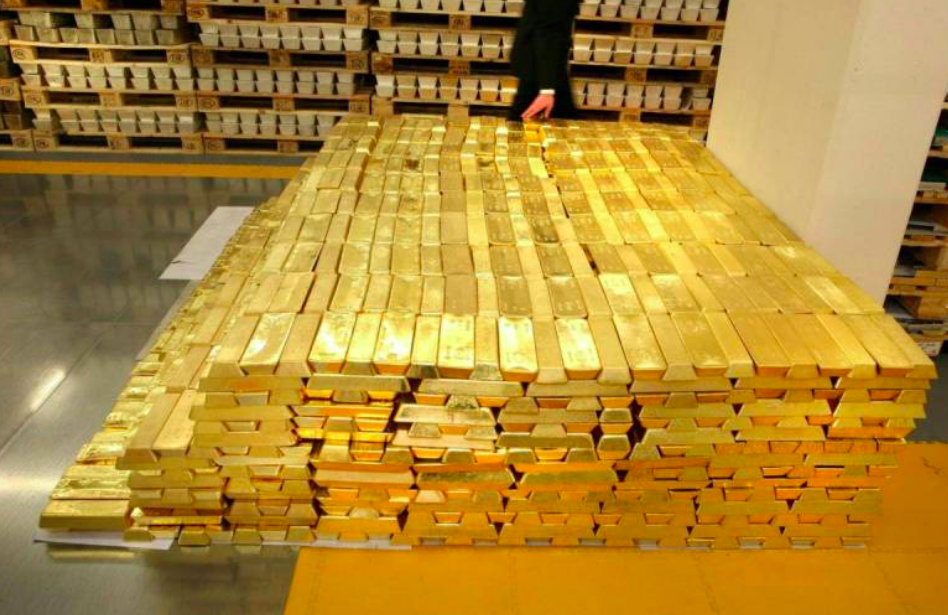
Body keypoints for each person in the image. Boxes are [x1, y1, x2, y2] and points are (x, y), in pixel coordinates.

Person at [509, 0, 580, 120]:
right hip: (540, 65)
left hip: (546, 64)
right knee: (520, 120)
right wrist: (546, 90)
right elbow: (548, 31)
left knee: (565, 118)